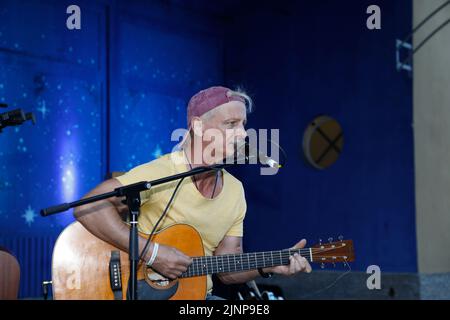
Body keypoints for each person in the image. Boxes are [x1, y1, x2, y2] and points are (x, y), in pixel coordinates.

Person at [73, 86, 312, 300]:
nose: (243, 134)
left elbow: (227, 270)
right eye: (231, 124)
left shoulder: (235, 191)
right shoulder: (160, 172)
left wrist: (269, 266)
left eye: (243, 125)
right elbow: (87, 207)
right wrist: (154, 254)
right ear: (198, 126)